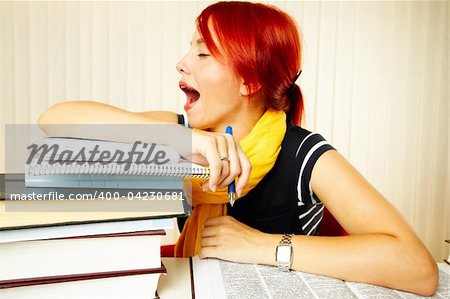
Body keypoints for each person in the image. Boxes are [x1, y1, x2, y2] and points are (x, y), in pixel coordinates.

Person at [38, 1, 438, 296]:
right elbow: (54, 121)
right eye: (187, 49)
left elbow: (417, 269)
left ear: (248, 81)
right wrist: (179, 140)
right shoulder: (180, 133)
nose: (180, 63)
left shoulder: (303, 155)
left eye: (202, 53)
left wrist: (261, 246)